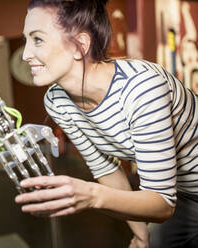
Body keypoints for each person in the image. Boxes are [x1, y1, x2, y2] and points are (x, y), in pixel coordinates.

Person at [14, 0, 198, 247]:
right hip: (183, 193)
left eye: (38, 39)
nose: (26, 54)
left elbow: (162, 204)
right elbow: (107, 171)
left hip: (172, 196)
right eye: (26, 39)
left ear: (80, 45)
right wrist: (142, 236)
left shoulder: (141, 88)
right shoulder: (57, 101)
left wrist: (90, 195)